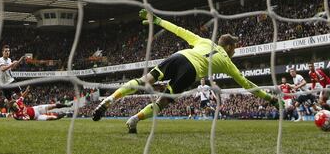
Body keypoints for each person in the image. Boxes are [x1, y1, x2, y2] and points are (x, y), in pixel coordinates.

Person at [92, 9, 282, 133]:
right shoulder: (227, 62)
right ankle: (134, 120)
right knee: (163, 101)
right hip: (190, 71)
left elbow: (180, 30)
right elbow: (247, 85)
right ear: (230, 47)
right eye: (235, 48)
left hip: (179, 56)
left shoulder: (205, 41)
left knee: (145, 80)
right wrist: (270, 98)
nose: (234, 52)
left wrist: (157, 20)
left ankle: (109, 99)